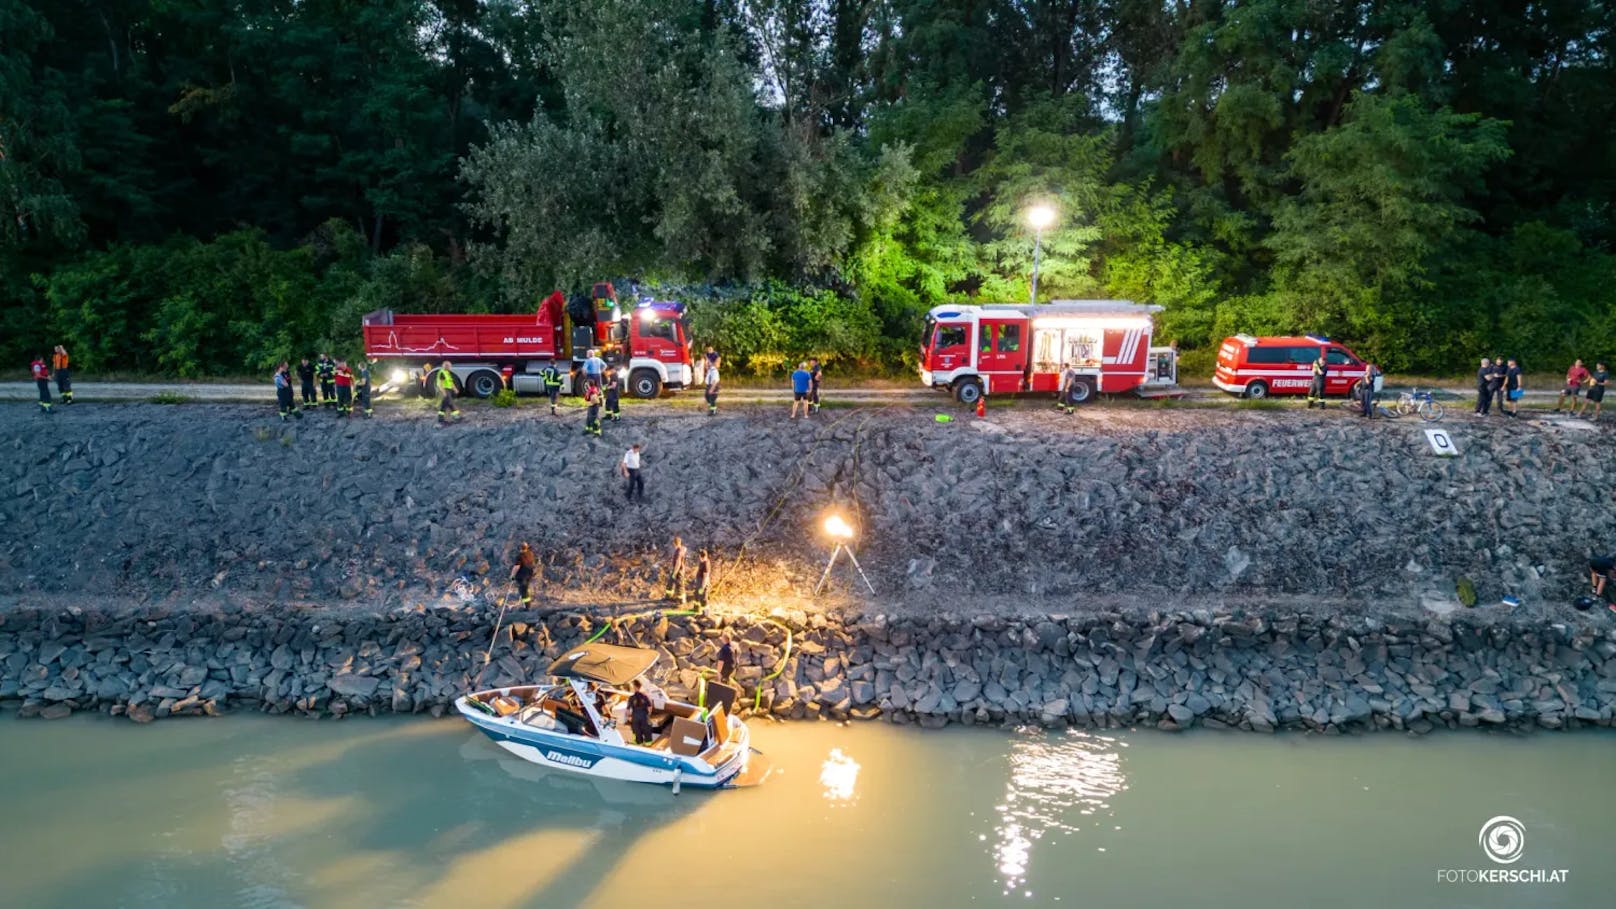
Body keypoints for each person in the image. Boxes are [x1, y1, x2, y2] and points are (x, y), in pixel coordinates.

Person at [628, 679, 655, 745]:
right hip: (644, 715)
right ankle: (648, 743)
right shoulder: (645, 696)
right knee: (646, 729)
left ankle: (638, 742)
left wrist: (629, 717)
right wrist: (648, 715)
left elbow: (628, 709)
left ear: (634, 687)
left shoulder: (631, 698)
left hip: (635, 716)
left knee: (636, 730)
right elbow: (650, 707)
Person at [436, 360, 461, 424]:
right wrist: (444, 392)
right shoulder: (442, 373)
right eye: (449, 366)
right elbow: (440, 384)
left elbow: (450, 382)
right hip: (444, 390)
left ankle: (455, 416)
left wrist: (455, 389)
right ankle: (442, 420)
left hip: (448, 390)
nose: (450, 367)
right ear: (446, 366)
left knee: (448, 403)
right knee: (447, 404)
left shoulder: (447, 372)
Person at [665, 535, 687, 602]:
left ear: (674, 543)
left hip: (678, 570)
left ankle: (681, 600)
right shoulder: (682, 549)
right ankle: (668, 597)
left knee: (680, 585)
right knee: (670, 583)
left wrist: (674, 573)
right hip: (678, 569)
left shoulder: (678, 552)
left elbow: (678, 563)